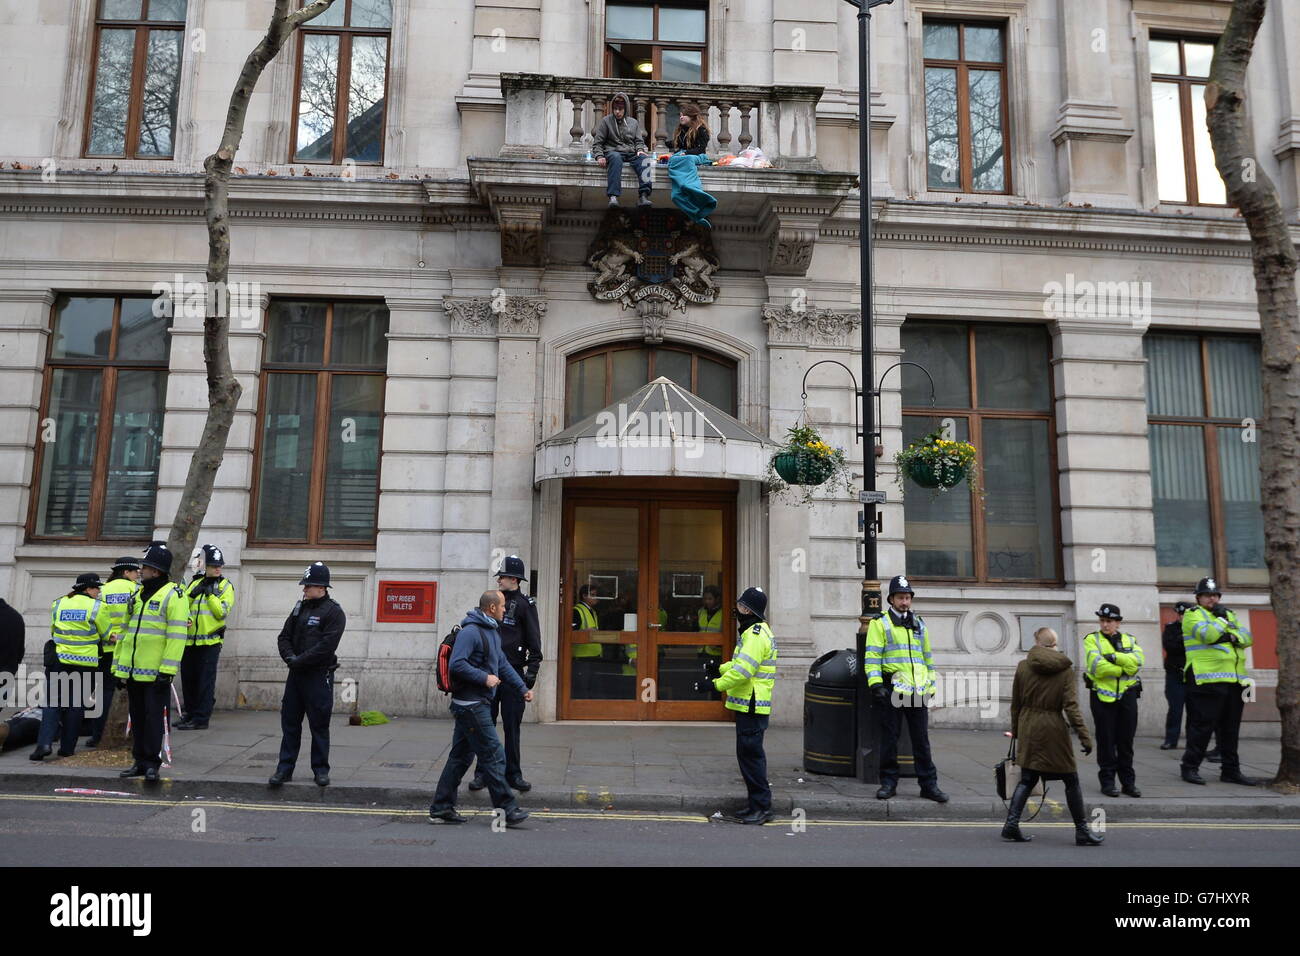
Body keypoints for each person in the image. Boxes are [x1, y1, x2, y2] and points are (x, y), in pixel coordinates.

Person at [429, 590, 532, 827]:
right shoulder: (470, 632)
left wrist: (521, 688)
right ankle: (507, 809)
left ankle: (441, 808)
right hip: (470, 705)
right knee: (494, 754)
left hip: (477, 703)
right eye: (503, 606)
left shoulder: (492, 632)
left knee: (460, 758)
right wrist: (485, 678)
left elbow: (503, 664)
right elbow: (457, 664)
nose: (506, 610)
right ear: (492, 608)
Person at [1002, 627, 1103, 846]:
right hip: (1053, 729)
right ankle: (1082, 830)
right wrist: (1085, 736)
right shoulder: (1065, 669)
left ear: (1037, 642)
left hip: (1029, 725)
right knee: (1071, 779)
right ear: (1055, 643)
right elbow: (1071, 707)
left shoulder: (1023, 666)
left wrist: (1017, 732)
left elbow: (1015, 705)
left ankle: (1011, 824)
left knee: (1027, 778)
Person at [696, 586, 777, 824]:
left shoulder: (754, 635)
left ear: (749, 610)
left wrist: (715, 686)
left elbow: (743, 671)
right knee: (748, 757)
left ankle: (762, 808)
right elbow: (740, 663)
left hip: (752, 705)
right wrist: (719, 669)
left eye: (741, 606)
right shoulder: (755, 631)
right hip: (750, 706)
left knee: (752, 758)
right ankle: (754, 804)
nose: (737, 609)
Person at [865, 575, 949, 803]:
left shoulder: (919, 623)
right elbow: (872, 656)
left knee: (921, 740)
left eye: (908, 597)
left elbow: (927, 658)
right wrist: (876, 685)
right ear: (891, 599)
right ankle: (889, 783)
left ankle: (929, 785)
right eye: (901, 597)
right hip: (893, 689)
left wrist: (931, 685)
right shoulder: (879, 623)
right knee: (890, 738)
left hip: (918, 690)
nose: (905, 602)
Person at [112, 544, 189, 782]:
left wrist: (167, 670)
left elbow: (176, 636)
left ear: (156, 571)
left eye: (144, 567)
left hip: (156, 673)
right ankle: (139, 761)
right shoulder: (137, 595)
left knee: (155, 719)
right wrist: (118, 669)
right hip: (134, 672)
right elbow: (124, 634)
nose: (141, 570)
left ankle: (152, 763)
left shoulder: (174, 595)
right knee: (137, 718)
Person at [270, 562, 345, 788]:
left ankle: (320, 770)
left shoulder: (334, 612)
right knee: (290, 723)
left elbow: (326, 646)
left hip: (318, 676)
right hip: (296, 676)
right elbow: (283, 637)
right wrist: (290, 658)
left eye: (307, 586)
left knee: (319, 725)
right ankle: (284, 769)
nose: (304, 590)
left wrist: (299, 661)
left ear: (321, 587)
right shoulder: (299, 609)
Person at [470, 555, 541, 793]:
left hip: (512, 675)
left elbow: (534, 640)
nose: (499, 579)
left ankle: (514, 774)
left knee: (512, 728)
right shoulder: (491, 602)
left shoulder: (525, 604)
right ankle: (482, 773)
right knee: (484, 726)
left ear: (514, 579)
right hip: (488, 675)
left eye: (503, 576)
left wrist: (531, 673)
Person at [1180, 577, 1257, 787]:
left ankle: (1231, 771)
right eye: (1207, 595)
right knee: (1202, 727)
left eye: (1215, 595)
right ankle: (1190, 767)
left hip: (1234, 680)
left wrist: (1230, 636)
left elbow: (1247, 637)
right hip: (1206, 680)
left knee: (1230, 729)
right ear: (1199, 598)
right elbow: (1208, 636)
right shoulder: (1192, 615)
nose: (1212, 599)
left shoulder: (1229, 613)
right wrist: (1223, 623)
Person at [31, 573, 114, 761]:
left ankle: (43, 745)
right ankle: (67, 749)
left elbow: (54, 630)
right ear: (87, 589)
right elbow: (107, 634)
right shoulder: (98, 607)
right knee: (75, 706)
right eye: (96, 588)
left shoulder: (58, 603)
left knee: (52, 703)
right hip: (85, 664)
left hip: (59, 661)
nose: (99, 592)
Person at [1082, 603, 1144, 798]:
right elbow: (1097, 667)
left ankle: (1128, 783)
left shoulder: (1130, 640)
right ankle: (1108, 782)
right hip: (1102, 697)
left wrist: (1113, 657)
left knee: (1126, 742)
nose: (1105, 624)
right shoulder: (1092, 639)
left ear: (1118, 623)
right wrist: (1123, 667)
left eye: (1109, 621)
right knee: (1106, 740)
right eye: (1102, 620)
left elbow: (1138, 663)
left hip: (1127, 695)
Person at [178, 544, 235, 730]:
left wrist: (211, 596)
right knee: (188, 679)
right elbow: (182, 607)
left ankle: (201, 718)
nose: (217, 568)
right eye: (213, 565)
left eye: (220, 565)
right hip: (189, 640)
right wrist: (193, 596)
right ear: (204, 566)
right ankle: (190, 713)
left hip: (210, 642)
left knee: (205, 681)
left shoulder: (226, 586)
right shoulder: (195, 583)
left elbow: (221, 613)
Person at [86, 555, 141, 747]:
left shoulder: (102, 591)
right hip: (127, 649)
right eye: (135, 572)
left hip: (106, 649)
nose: (138, 575)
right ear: (126, 572)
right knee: (133, 693)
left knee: (103, 692)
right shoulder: (137, 590)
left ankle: (97, 734)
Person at [592, 92, 652, 208]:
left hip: (631, 152)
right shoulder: (606, 121)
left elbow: (639, 141)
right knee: (615, 158)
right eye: (615, 109)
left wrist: (640, 149)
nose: (617, 112)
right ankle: (613, 197)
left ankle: (644, 196)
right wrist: (599, 156)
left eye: (620, 109)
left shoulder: (633, 122)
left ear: (626, 109)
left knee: (645, 160)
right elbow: (597, 143)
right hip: (613, 151)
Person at [1161, 601, 1193, 750]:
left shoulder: (1196, 630)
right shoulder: (1170, 628)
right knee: (1175, 709)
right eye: (1180, 614)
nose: (1182, 617)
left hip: (1192, 675)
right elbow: (1170, 646)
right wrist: (1184, 639)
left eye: (1185, 614)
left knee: (1194, 711)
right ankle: (1171, 739)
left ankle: (1192, 741)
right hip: (1175, 673)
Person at [571, 585, 602, 698]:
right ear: (584, 596)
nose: (596, 598)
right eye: (593, 595)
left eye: (596, 595)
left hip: (592, 656)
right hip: (581, 657)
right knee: (582, 688)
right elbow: (570, 632)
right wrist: (585, 632)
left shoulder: (592, 611)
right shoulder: (577, 611)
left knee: (591, 687)